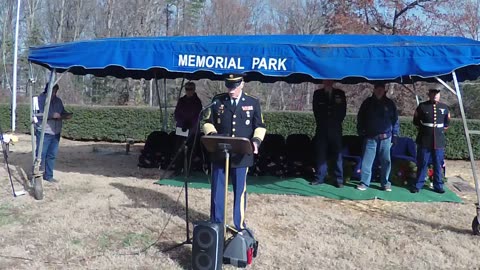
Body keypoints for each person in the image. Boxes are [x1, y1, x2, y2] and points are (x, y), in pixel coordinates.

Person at [203, 73, 266, 231]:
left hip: (241, 155)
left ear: (242, 84)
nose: (231, 90)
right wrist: (212, 135)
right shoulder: (218, 101)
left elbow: (260, 126)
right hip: (220, 153)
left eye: (235, 86)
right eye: (229, 86)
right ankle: (217, 223)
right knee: (217, 190)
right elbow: (207, 123)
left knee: (240, 191)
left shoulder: (253, 102)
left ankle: (239, 224)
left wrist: (256, 141)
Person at [356, 82, 399, 191]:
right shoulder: (367, 103)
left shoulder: (390, 104)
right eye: (377, 88)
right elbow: (360, 118)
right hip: (371, 137)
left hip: (386, 138)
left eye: (381, 88)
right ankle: (364, 183)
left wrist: (395, 135)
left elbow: (395, 121)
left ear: (384, 90)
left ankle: (385, 183)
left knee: (386, 161)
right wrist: (361, 131)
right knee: (367, 162)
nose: (379, 90)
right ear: (374, 90)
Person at [410, 88, 450, 194]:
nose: (436, 96)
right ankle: (418, 184)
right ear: (429, 95)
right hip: (425, 139)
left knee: (438, 163)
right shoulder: (422, 107)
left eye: (437, 94)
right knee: (422, 162)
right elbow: (416, 122)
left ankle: (438, 185)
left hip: (439, 140)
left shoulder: (445, 107)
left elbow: (446, 124)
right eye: (433, 94)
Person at [311, 79, 346, 188]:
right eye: (326, 80)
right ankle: (319, 177)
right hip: (322, 128)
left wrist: (334, 123)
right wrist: (324, 123)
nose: (328, 82)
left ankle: (338, 180)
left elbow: (343, 111)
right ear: (323, 81)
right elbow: (316, 111)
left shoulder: (340, 94)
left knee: (337, 155)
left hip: (335, 129)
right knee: (321, 154)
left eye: (330, 80)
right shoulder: (318, 94)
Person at [35, 83, 72, 183]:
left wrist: (66, 115)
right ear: (47, 90)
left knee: (52, 155)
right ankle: (35, 176)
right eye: (53, 91)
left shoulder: (58, 101)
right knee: (40, 155)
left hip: (56, 132)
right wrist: (52, 115)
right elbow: (38, 114)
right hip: (44, 131)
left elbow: (61, 112)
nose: (54, 94)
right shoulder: (40, 100)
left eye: (56, 91)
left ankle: (49, 176)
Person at [173, 81, 203, 175]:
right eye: (187, 89)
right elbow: (177, 113)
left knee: (191, 151)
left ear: (194, 90)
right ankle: (178, 169)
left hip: (192, 130)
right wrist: (182, 123)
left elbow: (198, 115)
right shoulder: (181, 100)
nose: (188, 91)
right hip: (182, 128)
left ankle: (189, 170)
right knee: (179, 149)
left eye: (190, 89)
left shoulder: (197, 101)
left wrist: (190, 123)